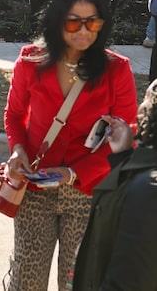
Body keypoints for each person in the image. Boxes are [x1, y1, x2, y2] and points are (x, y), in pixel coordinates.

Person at [2, 0, 138, 291]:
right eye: (74, 22)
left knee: (78, 282)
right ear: (56, 21)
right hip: (35, 189)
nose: (84, 30)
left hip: (88, 193)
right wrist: (17, 149)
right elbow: (14, 115)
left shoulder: (117, 69)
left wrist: (74, 172)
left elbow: (127, 134)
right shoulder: (29, 61)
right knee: (27, 281)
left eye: (93, 22)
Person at [71, 80, 157, 290]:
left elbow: (131, 279)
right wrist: (124, 156)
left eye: (146, 100)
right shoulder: (143, 175)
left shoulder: (149, 190)